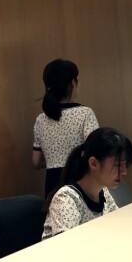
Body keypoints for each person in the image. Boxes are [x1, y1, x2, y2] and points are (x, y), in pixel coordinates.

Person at [42, 127, 132, 240]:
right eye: (118, 165)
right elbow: (67, 248)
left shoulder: (103, 192)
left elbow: (120, 226)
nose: (124, 171)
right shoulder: (66, 198)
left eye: (125, 165)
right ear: (94, 163)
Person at [32, 59, 99, 197]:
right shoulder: (85, 113)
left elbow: (36, 161)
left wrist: (54, 158)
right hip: (80, 181)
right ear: (73, 83)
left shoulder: (41, 119)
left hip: (52, 185)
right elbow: (97, 151)